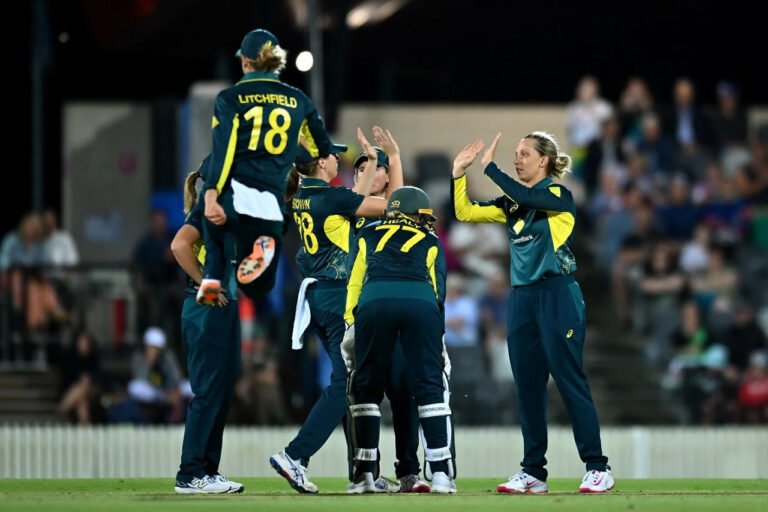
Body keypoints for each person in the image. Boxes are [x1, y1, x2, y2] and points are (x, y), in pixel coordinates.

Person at [451, 133, 614, 494]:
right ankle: (533, 473)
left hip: (557, 295)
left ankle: (598, 467)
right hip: (522, 300)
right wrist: (458, 175)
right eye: (515, 154)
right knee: (527, 388)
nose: (518, 159)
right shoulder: (514, 205)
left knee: (570, 380)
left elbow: (527, 195)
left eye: (524, 154)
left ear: (544, 161)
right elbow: (465, 211)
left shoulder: (558, 196)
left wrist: (490, 167)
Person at [268, 129, 388, 494]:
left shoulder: (302, 195)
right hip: (338, 298)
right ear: (321, 161)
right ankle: (296, 456)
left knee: (350, 385)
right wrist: (391, 165)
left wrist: (369, 170)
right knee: (345, 384)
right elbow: (390, 206)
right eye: (334, 155)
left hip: (318, 295)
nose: (340, 160)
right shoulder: (332, 197)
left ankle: (362, 473)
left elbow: (353, 197)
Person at [200, 28, 347, 306]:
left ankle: (210, 281)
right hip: (271, 205)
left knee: (213, 226)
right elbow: (322, 149)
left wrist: (210, 193)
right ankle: (261, 250)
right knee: (259, 287)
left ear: (245, 62)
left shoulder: (230, 99)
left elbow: (224, 152)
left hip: (236, 198)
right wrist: (318, 160)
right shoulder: (298, 99)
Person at [344, 186, 456, 494]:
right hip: (419, 301)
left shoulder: (366, 234)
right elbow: (438, 291)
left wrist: (350, 322)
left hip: (374, 300)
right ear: (413, 213)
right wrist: (439, 335)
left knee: (366, 385)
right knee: (429, 384)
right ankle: (441, 474)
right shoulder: (431, 240)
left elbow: (356, 278)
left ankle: (364, 475)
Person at [348, 127, 433, 493]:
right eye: (358, 167)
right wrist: (390, 160)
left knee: (402, 391)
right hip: (364, 307)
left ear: (384, 177)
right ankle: (366, 471)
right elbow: (390, 203)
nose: (361, 172)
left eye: (370, 166)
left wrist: (395, 158)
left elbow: (399, 203)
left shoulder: (390, 211)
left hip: (385, 308)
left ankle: (407, 471)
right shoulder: (354, 205)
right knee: (364, 394)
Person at [172, 160, 244, 494]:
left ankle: (207, 471)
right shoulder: (205, 209)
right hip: (206, 307)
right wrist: (207, 285)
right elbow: (178, 245)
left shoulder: (222, 211)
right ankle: (190, 474)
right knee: (208, 390)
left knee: (222, 388)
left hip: (222, 306)